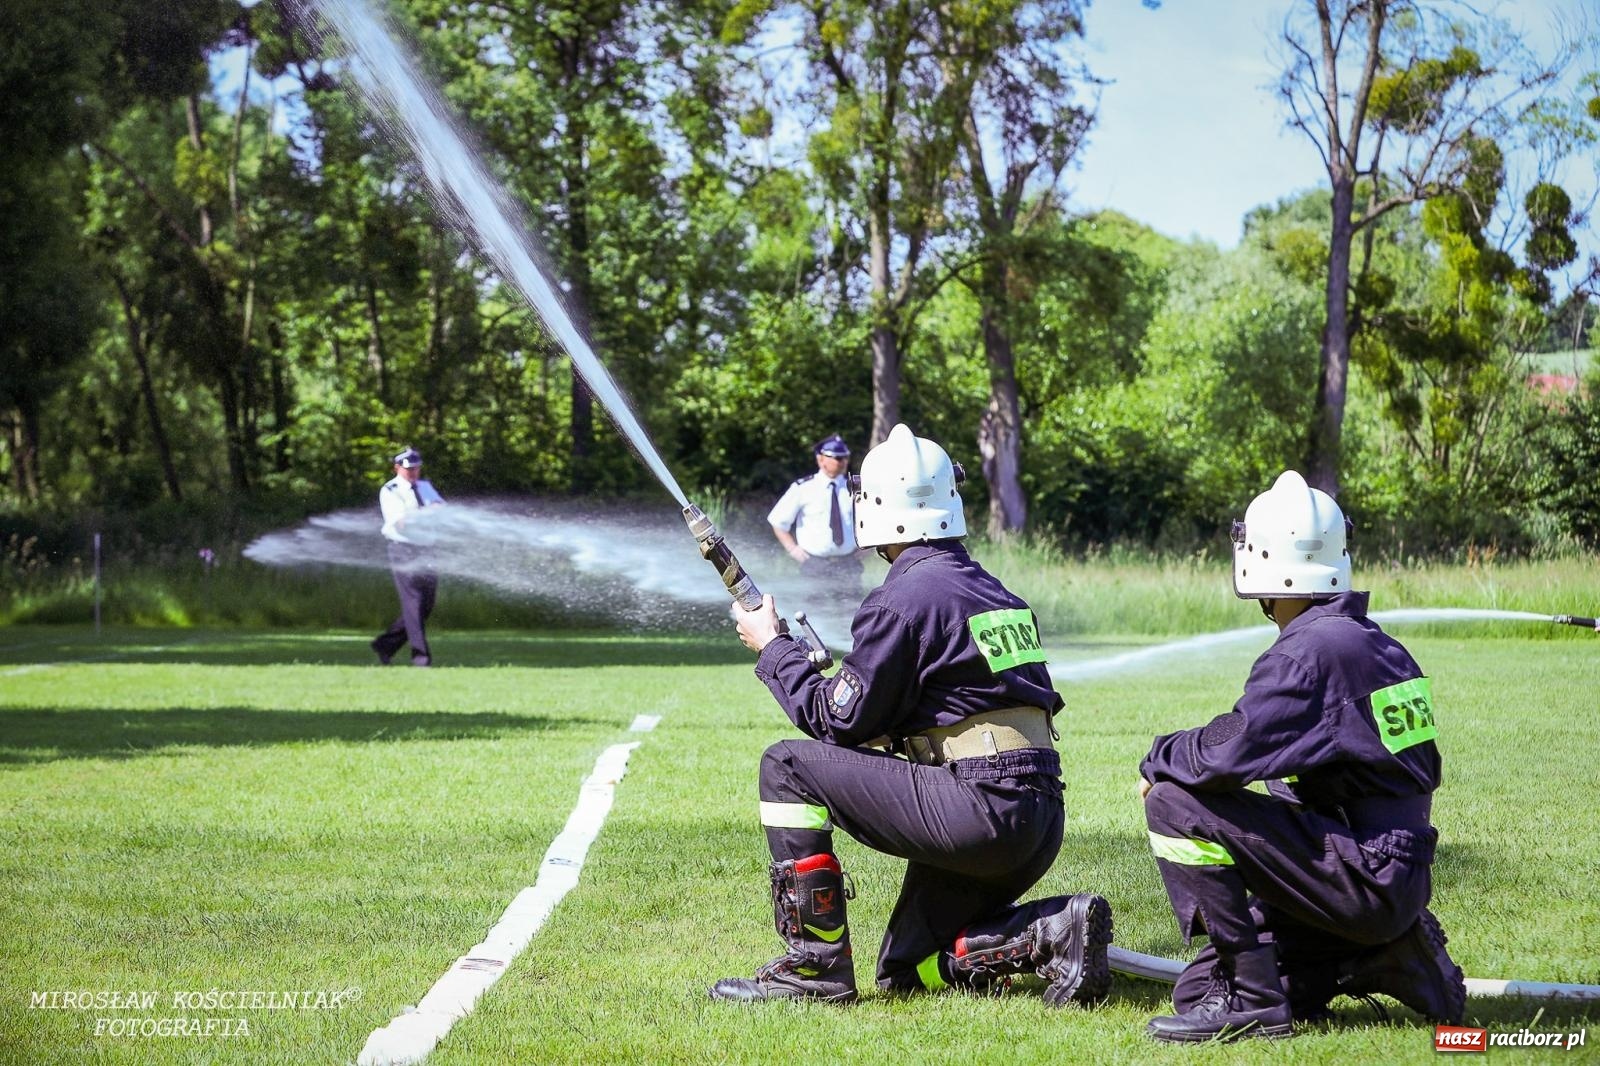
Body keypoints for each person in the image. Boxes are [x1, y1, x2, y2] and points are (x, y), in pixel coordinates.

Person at [711, 424, 1112, 1007]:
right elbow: (954, 704)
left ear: (872, 507)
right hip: (1036, 817)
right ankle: (1049, 933)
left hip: (980, 810)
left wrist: (774, 649)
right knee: (908, 971)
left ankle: (814, 968)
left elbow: (835, 720)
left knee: (787, 766)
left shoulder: (904, 599)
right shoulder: (995, 593)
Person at [1137, 470, 1466, 1043]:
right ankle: (1385, 957)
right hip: (1390, 873)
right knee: (1195, 990)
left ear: (1258, 562)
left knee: (1172, 802)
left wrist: (1159, 756)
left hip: (1363, 873)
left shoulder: (1310, 654)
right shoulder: (1371, 642)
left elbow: (1223, 756)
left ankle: (1257, 1004)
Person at [767, 434, 863, 605]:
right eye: (837, 458)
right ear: (821, 459)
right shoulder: (803, 488)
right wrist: (793, 549)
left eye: (845, 457)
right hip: (815, 565)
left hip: (849, 563)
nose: (842, 462)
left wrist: (866, 547)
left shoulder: (856, 487)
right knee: (815, 611)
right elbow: (778, 521)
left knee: (852, 611)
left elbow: (870, 520)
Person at [371, 446, 445, 667]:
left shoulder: (425, 486)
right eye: (409, 469)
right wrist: (426, 514)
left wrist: (427, 514)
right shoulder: (391, 490)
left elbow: (442, 509)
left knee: (426, 605)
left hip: (427, 549)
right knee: (413, 602)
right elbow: (401, 524)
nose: (413, 472)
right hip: (404, 550)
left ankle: (385, 644)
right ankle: (421, 658)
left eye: (416, 468)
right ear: (397, 468)